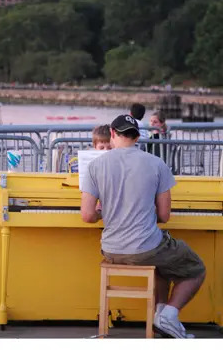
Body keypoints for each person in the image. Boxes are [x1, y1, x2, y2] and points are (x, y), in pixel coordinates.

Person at [81, 114, 205, 339]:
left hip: (111, 249)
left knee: (163, 262)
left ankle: (160, 316)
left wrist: (105, 212)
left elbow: (87, 215)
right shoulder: (156, 163)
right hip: (146, 248)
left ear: (112, 134)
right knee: (195, 268)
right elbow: (165, 216)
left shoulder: (95, 165)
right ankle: (167, 315)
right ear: (137, 136)